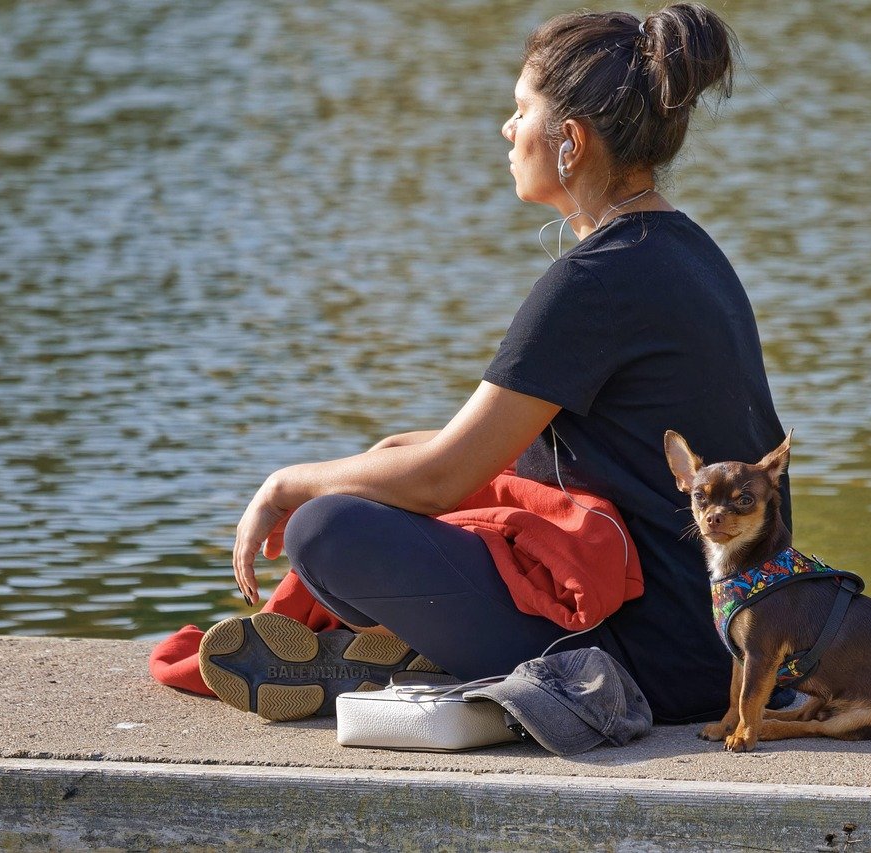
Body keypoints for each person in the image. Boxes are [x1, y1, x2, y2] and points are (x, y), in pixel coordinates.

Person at [212, 3, 789, 725]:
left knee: (325, 530)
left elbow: (442, 477)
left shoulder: (595, 281)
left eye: (521, 110)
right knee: (388, 472)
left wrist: (286, 481)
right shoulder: (689, 253)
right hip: (736, 640)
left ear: (570, 141)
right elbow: (524, 456)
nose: (508, 130)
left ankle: (464, 659)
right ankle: (437, 651)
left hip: (660, 665)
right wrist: (388, 455)